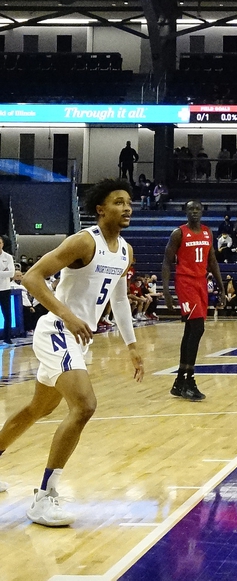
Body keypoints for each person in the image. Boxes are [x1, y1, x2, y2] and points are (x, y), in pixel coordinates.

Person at [0, 179, 144, 527]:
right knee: (84, 406)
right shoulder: (84, 241)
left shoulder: (125, 251)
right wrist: (68, 315)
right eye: (118, 202)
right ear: (101, 209)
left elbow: (119, 299)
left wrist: (132, 345)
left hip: (78, 339)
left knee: (37, 409)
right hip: (57, 331)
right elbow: (32, 277)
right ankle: (44, 497)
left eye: (128, 202)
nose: (126, 208)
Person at [163, 200, 225, 401]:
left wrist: (222, 287)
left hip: (201, 282)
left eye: (198, 209)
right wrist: (166, 291)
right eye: (191, 209)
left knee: (191, 330)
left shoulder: (207, 232)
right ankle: (188, 380)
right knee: (197, 328)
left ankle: (180, 381)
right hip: (185, 283)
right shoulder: (179, 233)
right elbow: (167, 262)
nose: (195, 212)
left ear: (202, 211)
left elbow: (212, 261)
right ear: (186, 212)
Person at [0, 237, 18, 344]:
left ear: (2, 244)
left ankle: (7, 337)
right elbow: (7, 273)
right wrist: (4, 272)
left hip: (5, 289)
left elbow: (11, 273)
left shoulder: (8, 257)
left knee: (7, 314)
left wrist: (3, 273)